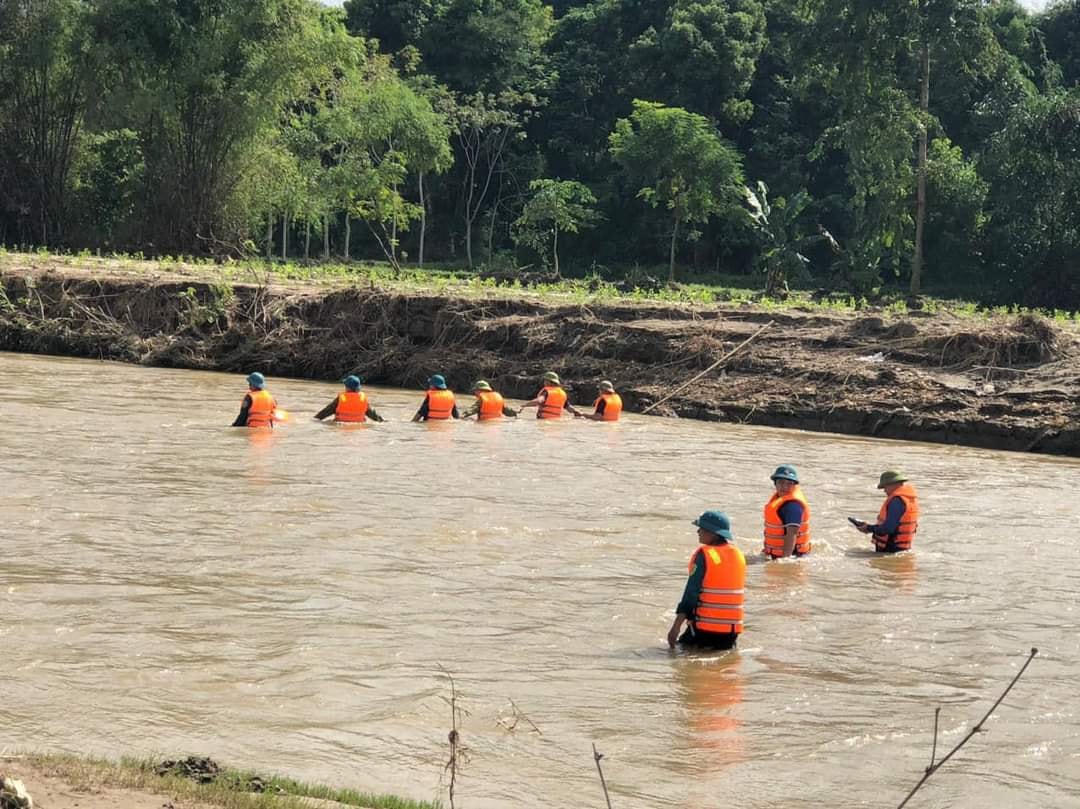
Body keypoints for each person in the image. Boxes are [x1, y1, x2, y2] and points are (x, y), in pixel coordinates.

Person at [668, 510, 746, 650]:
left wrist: (676, 627)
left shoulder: (704, 555)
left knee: (672, 656)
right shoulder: (738, 555)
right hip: (731, 633)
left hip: (704, 630)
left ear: (713, 533)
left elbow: (690, 594)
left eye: (702, 529)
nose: (698, 531)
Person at [852, 470, 920, 553]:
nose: (884, 491)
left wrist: (868, 528)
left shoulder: (897, 501)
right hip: (901, 551)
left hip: (890, 551)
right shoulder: (910, 499)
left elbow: (888, 528)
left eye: (885, 487)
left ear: (893, 484)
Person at [762, 464, 811, 559]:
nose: (784, 486)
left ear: (795, 485)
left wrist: (784, 561)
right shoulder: (779, 500)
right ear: (775, 483)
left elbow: (792, 534)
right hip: (775, 554)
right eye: (781, 482)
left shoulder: (793, 506)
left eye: (789, 483)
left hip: (794, 556)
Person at [313, 375, 385, 423]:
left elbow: (326, 412)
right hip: (358, 426)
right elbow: (373, 415)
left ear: (347, 387)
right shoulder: (363, 399)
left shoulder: (341, 398)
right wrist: (382, 421)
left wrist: (314, 419)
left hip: (341, 424)